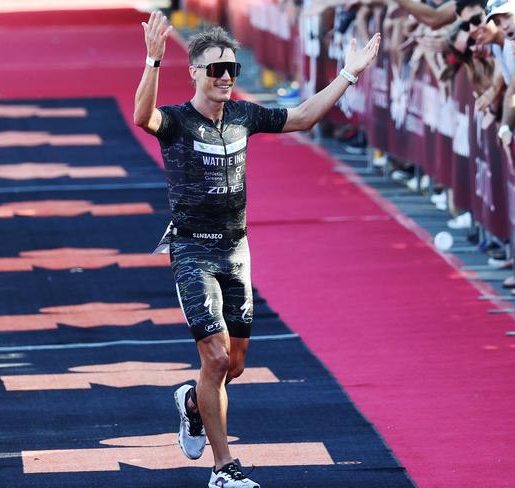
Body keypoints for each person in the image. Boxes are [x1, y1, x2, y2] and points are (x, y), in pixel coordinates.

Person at [133, 11, 380, 488]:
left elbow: (304, 117)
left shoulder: (245, 114)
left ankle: (191, 402)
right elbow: (143, 116)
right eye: (215, 70)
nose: (225, 77)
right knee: (217, 358)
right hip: (192, 252)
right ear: (195, 73)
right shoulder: (179, 122)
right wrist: (152, 60)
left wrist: (350, 73)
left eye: (231, 70)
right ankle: (224, 469)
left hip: (236, 251)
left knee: (235, 364)